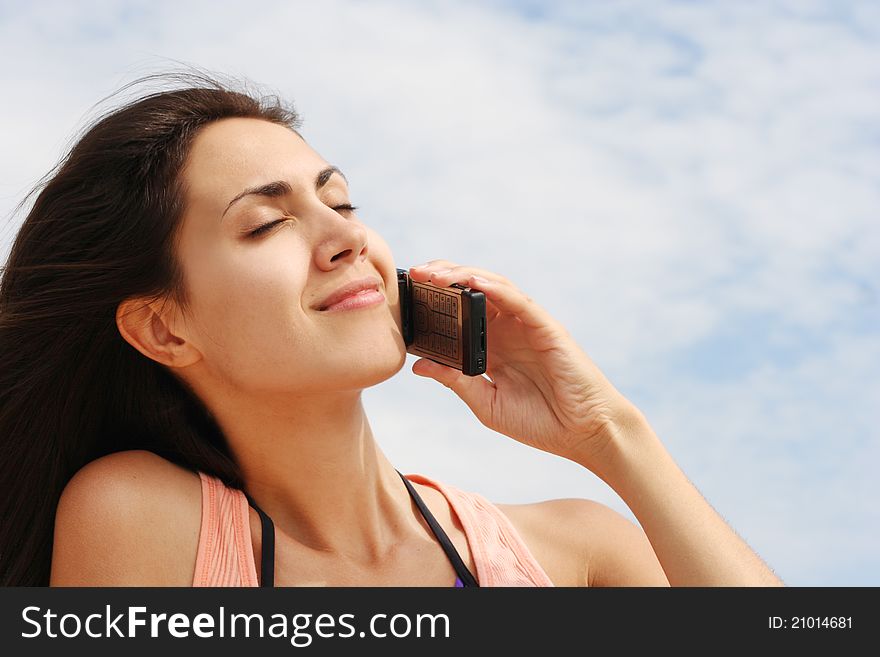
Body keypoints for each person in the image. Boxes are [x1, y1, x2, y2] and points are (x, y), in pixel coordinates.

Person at [0, 73, 783, 587]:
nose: (346, 239)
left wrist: (612, 435)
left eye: (340, 203)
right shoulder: (139, 516)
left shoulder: (577, 552)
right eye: (268, 222)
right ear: (164, 330)